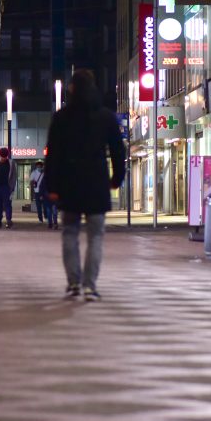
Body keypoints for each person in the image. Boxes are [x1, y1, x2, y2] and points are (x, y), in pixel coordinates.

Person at [45, 70, 126, 301]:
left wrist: (52, 186)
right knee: (96, 236)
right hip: (96, 182)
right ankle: (90, 285)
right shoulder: (106, 117)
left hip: (69, 183)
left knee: (70, 233)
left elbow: (53, 155)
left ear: (72, 90)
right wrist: (116, 178)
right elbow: (118, 152)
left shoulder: (61, 118)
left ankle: (73, 283)